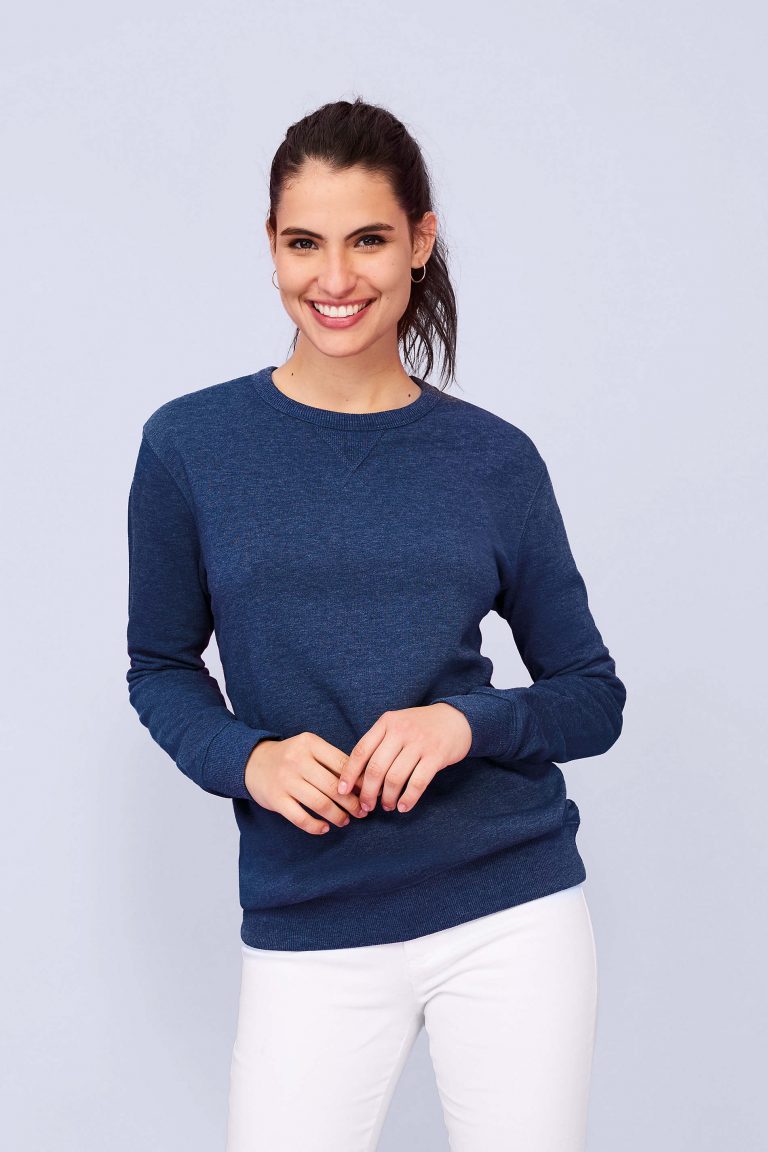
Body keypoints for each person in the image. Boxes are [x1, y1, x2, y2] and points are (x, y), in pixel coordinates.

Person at [126, 96, 626, 1152]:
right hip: (311, 908)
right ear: (271, 245)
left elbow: (592, 697)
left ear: (419, 242)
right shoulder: (189, 447)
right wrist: (249, 759)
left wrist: (463, 725)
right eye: (304, 243)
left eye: (368, 239)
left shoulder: (493, 460)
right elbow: (160, 665)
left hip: (511, 908)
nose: (335, 278)